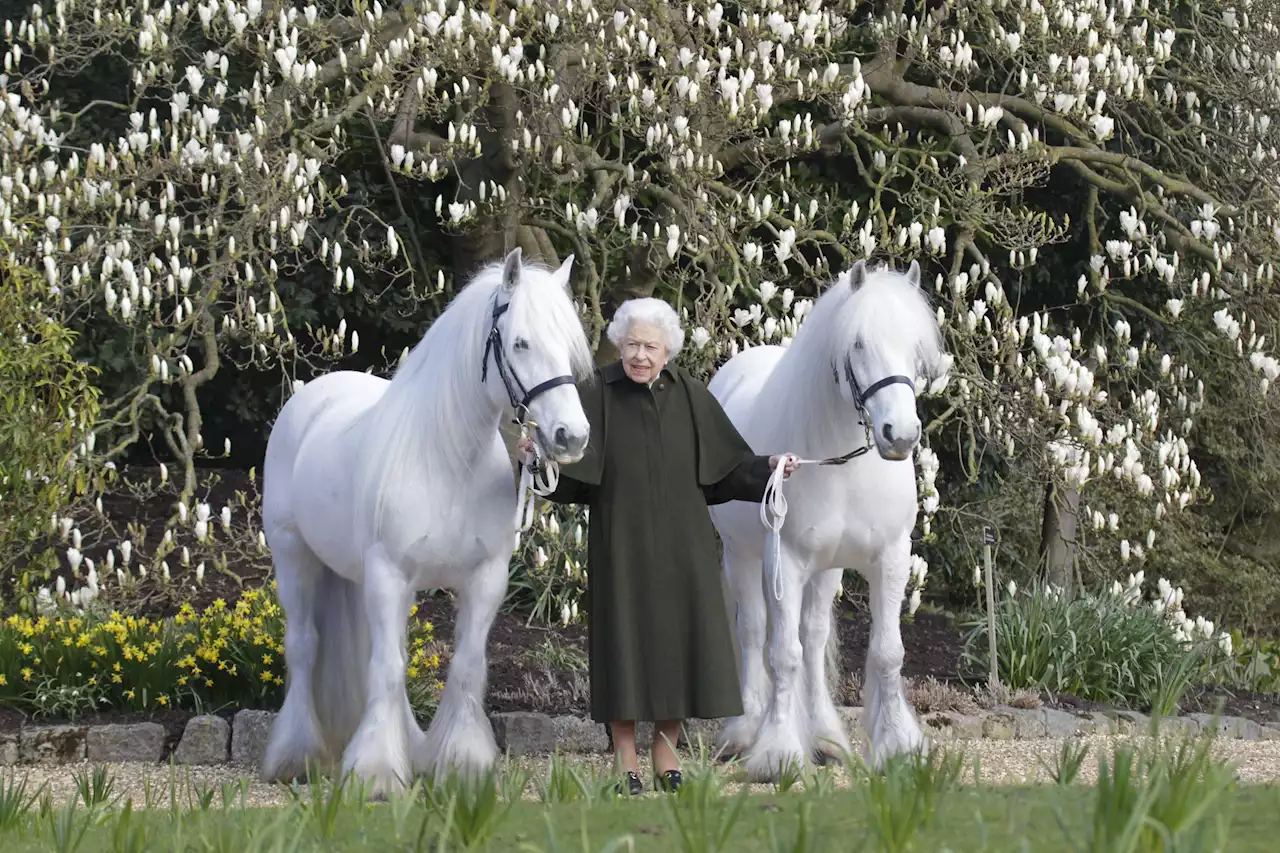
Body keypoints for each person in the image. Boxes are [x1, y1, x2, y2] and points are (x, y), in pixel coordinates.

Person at [517, 297, 797, 795]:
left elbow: (727, 470)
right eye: (631, 345)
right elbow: (571, 480)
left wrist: (771, 467)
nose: (640, 355)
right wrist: (538, 461)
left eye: (650, 346)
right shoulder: (596, 392)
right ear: (618, 346)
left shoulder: (690, 395)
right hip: (618, 543)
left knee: (680, 646)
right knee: (623, 645)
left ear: (668, 350)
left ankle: (665, 745)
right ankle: (625, 753)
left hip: (683, 545)